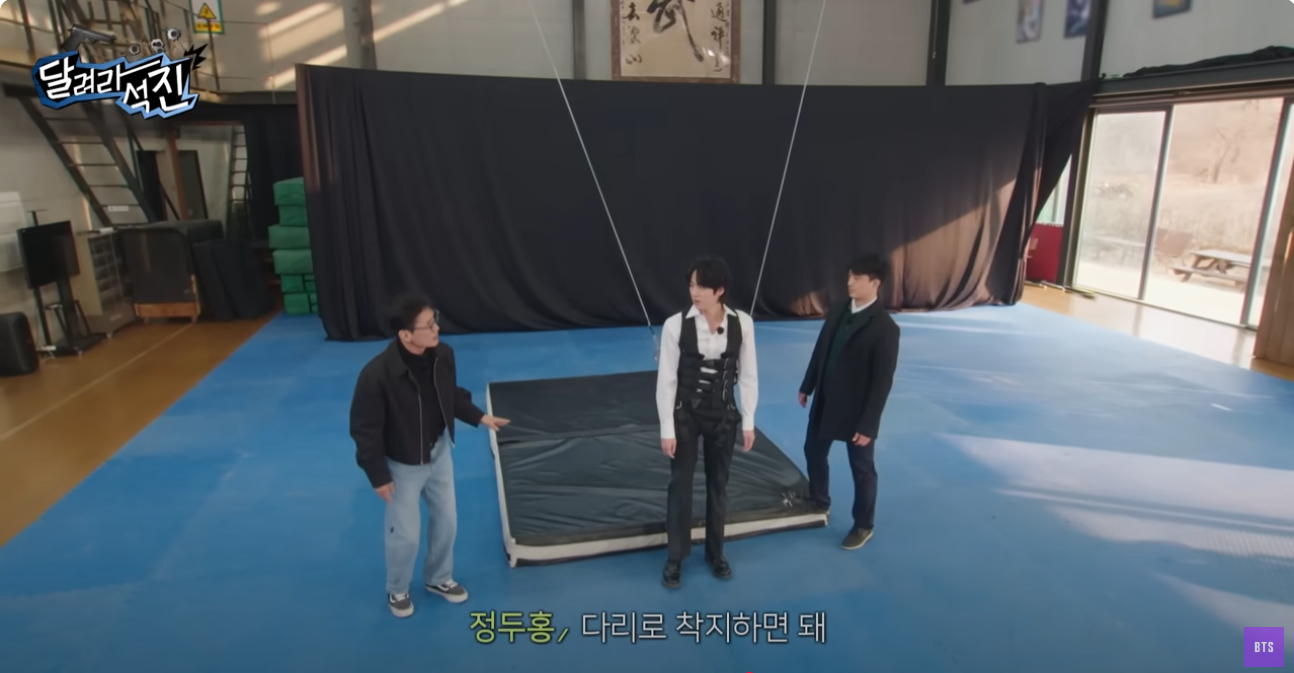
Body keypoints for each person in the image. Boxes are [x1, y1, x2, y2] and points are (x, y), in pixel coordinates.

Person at [350, 293, 510, 618]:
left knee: (448, 522)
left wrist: (480, 417)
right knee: (406, 536)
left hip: (439, 453)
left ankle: (438, 578)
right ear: (405, 334)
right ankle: (397, 588)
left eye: (434, 320)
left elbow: (450, 395)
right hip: (402, 464)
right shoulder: (376, 375)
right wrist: (378, 475)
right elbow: (365, 430)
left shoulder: (443, 355)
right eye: (428, 325)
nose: (436, 328)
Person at [655, 256, 758, 588]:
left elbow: (749, 375)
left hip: (723, 415)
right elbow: (666, 380)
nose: (694, 292)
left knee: (719, 485)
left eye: (702, 286)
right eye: (691, 285)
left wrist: (749, 421)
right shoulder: (675, 325)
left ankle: (716, 553)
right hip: (685, 415)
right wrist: (667, 428)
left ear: (720, 290)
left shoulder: (743, 323)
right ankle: (675, 557)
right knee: (680, 485)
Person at [797, 254, 900, 551]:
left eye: (857, 278)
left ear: (875, 283)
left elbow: (882, 382)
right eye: (850, 276)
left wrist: (869, 425)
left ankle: (863, 524)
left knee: (862, 468)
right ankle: (819, 500)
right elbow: (822, 348)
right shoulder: (839, 309)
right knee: (813, 451)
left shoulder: (885, 328)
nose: (850, 282)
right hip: (825, 399)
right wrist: (807, 385)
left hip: (857, 412)